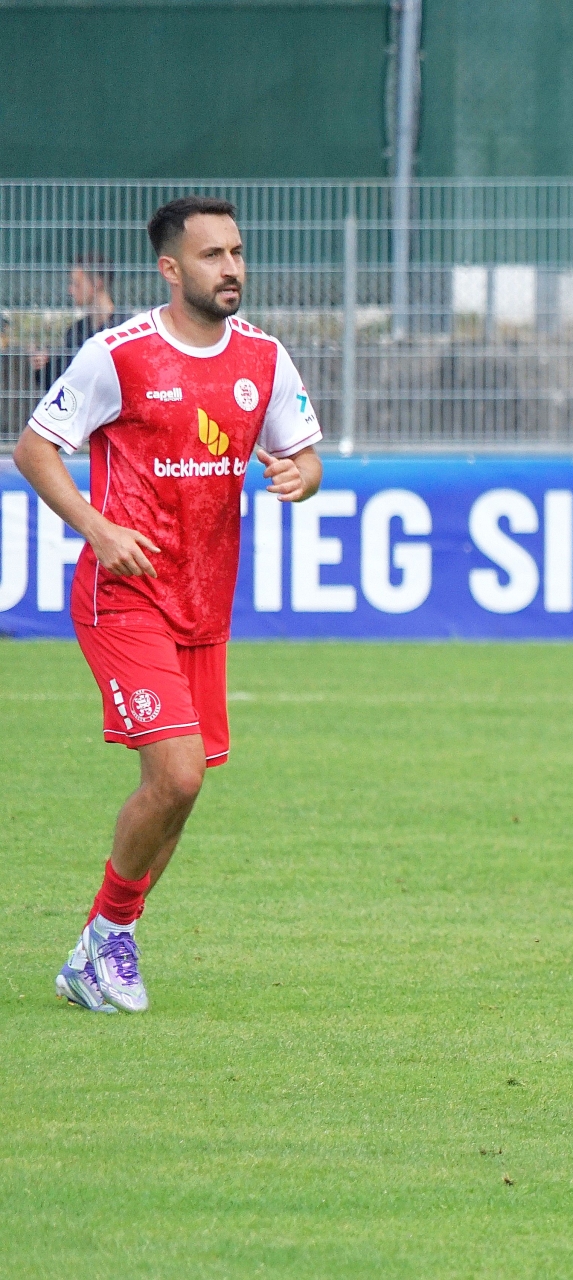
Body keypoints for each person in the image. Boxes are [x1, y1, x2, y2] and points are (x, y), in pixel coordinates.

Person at [12, 196, 324, 1015]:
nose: (232, 268)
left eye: (237, 252)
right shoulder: (118, 356)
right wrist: (96, 526)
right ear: (171, 268)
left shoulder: (263, 357)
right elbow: (34, 449)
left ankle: (102, 944)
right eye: (213, 255)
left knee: (181, 792)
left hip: (205, 603)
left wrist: (301, 476)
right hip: (125, 596)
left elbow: (304, 454)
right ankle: (108, 937)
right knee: (178, 774)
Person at [33, 253, 124, 392]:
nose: (70, 290)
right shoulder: (76, 331)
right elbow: (62, 383)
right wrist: (44, 366)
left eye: (76, 284)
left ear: (97, 283)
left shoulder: (124, 327)